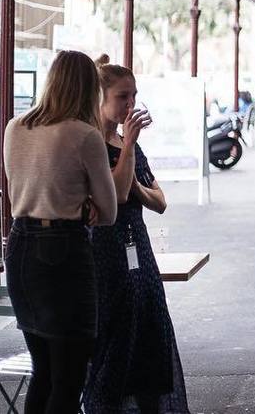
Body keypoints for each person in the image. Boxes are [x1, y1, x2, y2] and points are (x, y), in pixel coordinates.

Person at [2, 50, 119, 413]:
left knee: (44, 371)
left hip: (20, 246)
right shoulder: (85, 135)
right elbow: (110, 211)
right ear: (88, 89)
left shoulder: (15, 126)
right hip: (63, 250)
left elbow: (16, 189)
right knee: (69, 376)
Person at [84, 55, 189, 413]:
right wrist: (126, 151)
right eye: (122, 97)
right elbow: (110, 197)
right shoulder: (91, 144)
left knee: (150, 328)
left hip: (138, 246)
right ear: (101, 98)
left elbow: (159, 200)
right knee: (114, 337)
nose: (130, 105)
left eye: (134, 96)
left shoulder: (127, 142)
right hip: (105, 250)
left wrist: (135, 186)